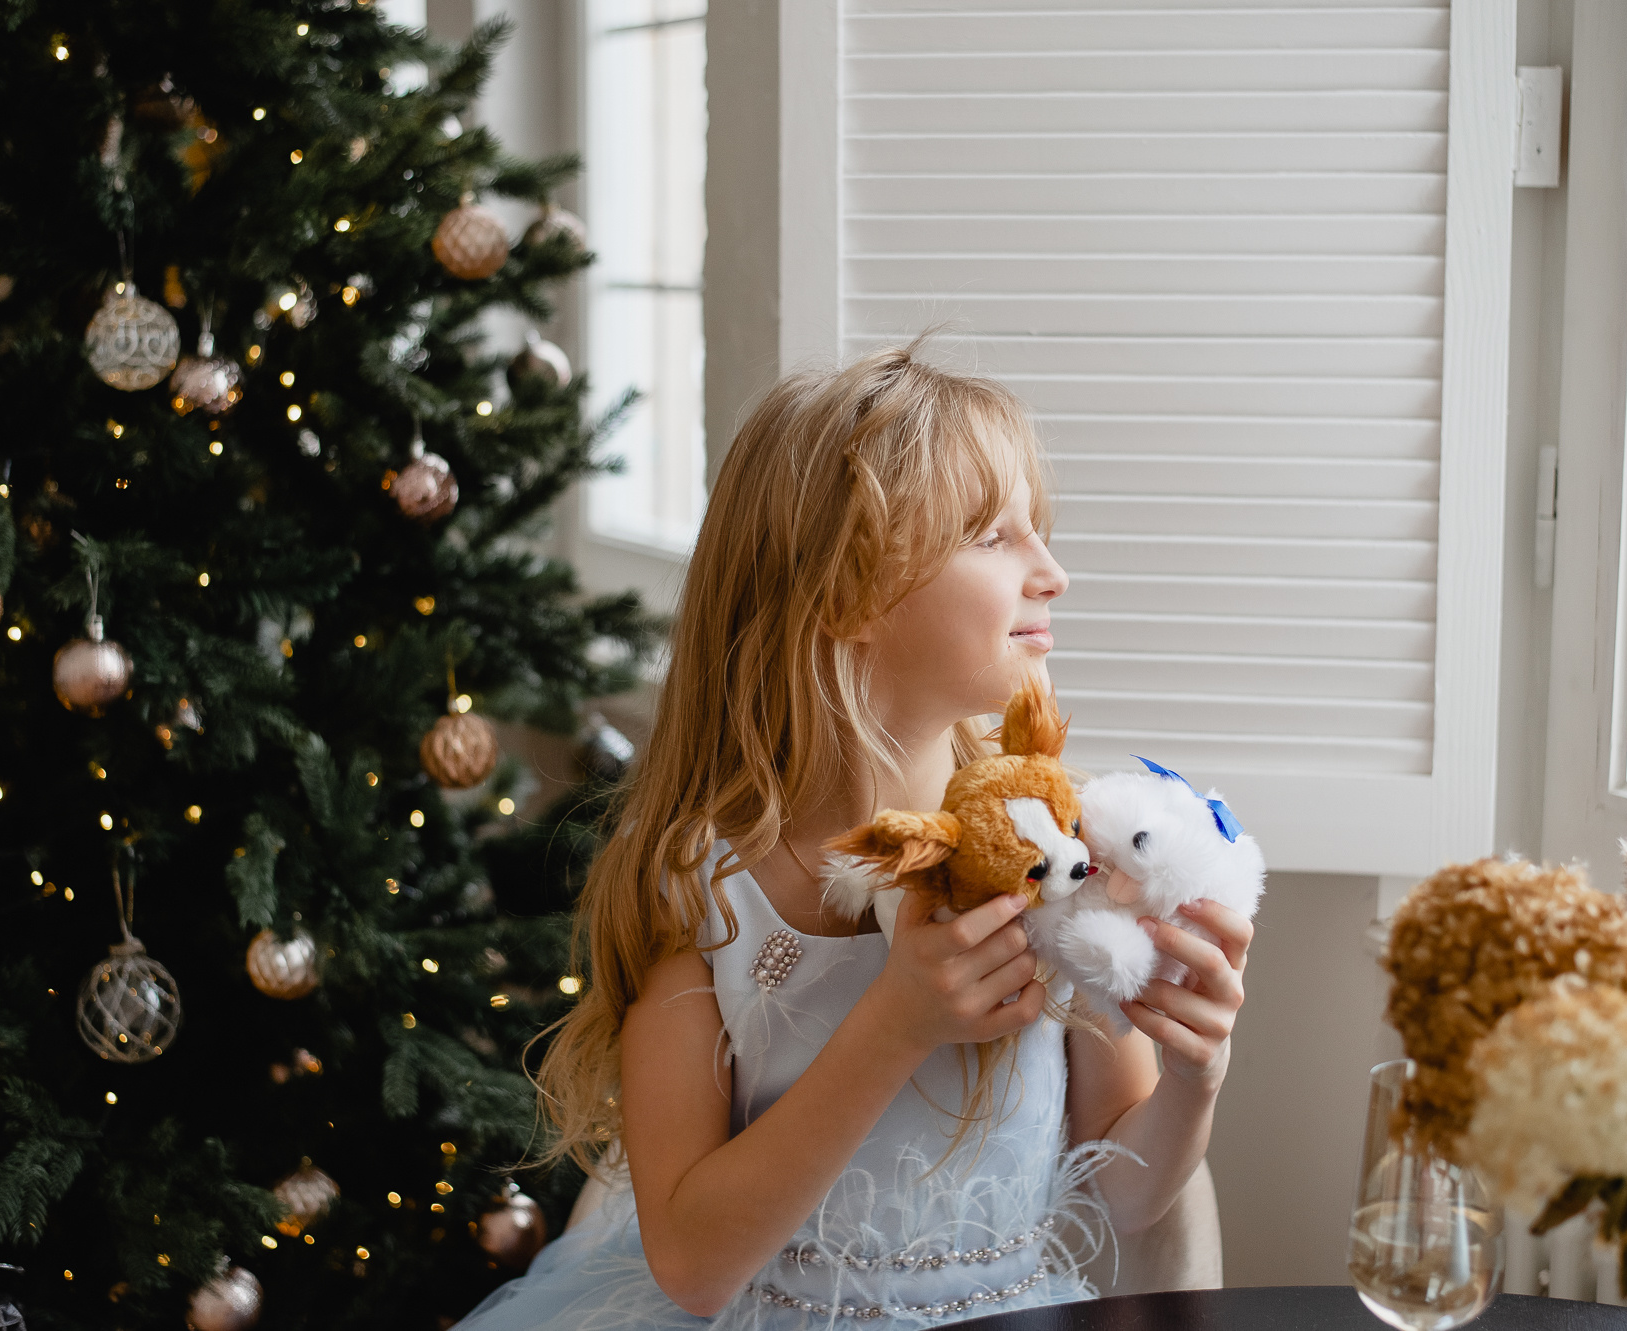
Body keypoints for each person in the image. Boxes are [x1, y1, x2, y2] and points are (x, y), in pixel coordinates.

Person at [455, 346, 1252, 1329]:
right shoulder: (705, 889)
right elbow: (694, 1266)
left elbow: (1127, 1194)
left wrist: (1195, 1074)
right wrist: (895, 1023)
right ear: (848, 594)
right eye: (993, 536)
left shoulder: (1062, 850)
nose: (1052, 573)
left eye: (1036, 534)